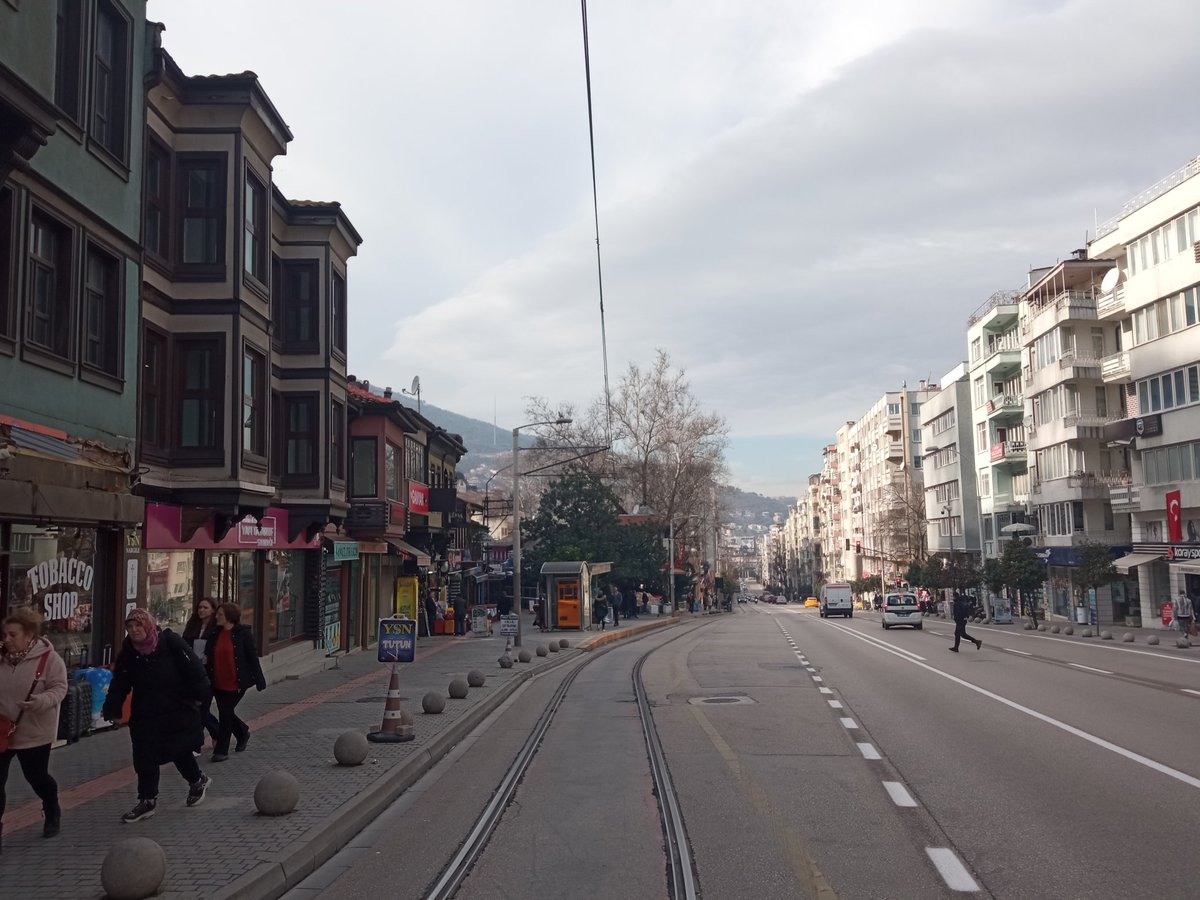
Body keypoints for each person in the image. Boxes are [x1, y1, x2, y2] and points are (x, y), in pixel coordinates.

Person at [102, 608, 211, 822]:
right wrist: (113, 709)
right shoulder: (129, 651)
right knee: (145, 755)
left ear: (148, 625)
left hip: (176, 708)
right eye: (130, 627)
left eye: (138, 626)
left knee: (178, 750)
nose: (134, 631)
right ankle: (147, 800)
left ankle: (197, 780)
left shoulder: (170, 642)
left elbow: (196, 672)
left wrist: (200, 699)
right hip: (145, 712)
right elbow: (120, 681)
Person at [1, 607, 68, 851]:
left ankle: (51, 808)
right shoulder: (1, 656)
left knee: (36, 777)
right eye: (5, 635)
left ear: (29, 635)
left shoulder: (49, 659)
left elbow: (59, 688)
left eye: (12, 635)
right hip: (2, 730)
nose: (6, 640)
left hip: (33, 729)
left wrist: (39, 702)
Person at [203, 603, 266, 763]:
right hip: (217, 681)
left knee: (225, 714)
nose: (216, 617)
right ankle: (242, 732)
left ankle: (222, 750)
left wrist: (259, 680)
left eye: (220, 615)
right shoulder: (214, 633)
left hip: (236, 682)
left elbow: (252, 657)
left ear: (230, 617)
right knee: (227, 712)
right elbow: (207, 655)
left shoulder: (242, 634)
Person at [182, 598, 220, 747]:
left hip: (208, 673)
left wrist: (209, 658)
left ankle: (195, 743)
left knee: (202, 707)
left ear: (212, 610)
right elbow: (184, 644)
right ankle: (217, 732)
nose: (201, 610)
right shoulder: (193, 626)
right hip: (193, 671)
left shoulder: (216, 628)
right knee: (196, 708)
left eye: (205, 607)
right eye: (200, 607)